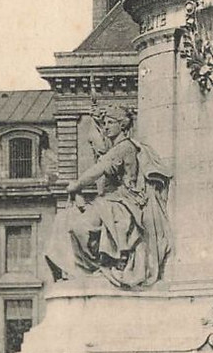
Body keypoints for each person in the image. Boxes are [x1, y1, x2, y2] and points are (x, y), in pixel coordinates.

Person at [59, 108, 173, 289]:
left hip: (124, 201)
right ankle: (97, 267)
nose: (106, 127)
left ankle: (103, 266)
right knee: (77, 227)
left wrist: (76, 185)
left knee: (81, 227)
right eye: (104, 123)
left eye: (111, 122)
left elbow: (97, 171)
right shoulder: (114, 149)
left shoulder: (124, 147)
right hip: (111, 200)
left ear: (123, 125)